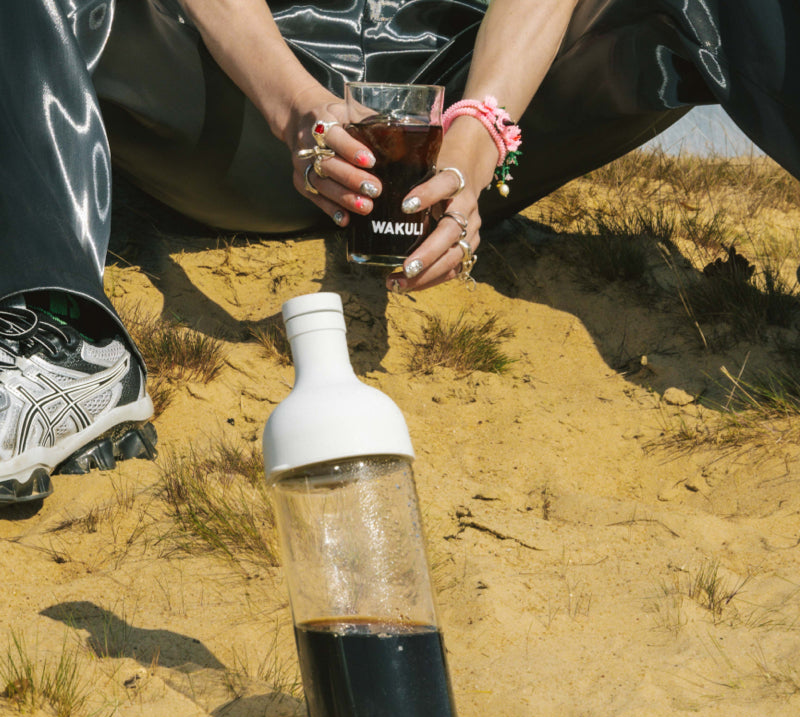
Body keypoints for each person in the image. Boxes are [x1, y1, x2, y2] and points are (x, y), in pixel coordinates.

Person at [1, 0, 798, 505]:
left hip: (478, 91)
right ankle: (66, 337)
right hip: (246, 105)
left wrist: (480, 131)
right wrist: (295, 109)